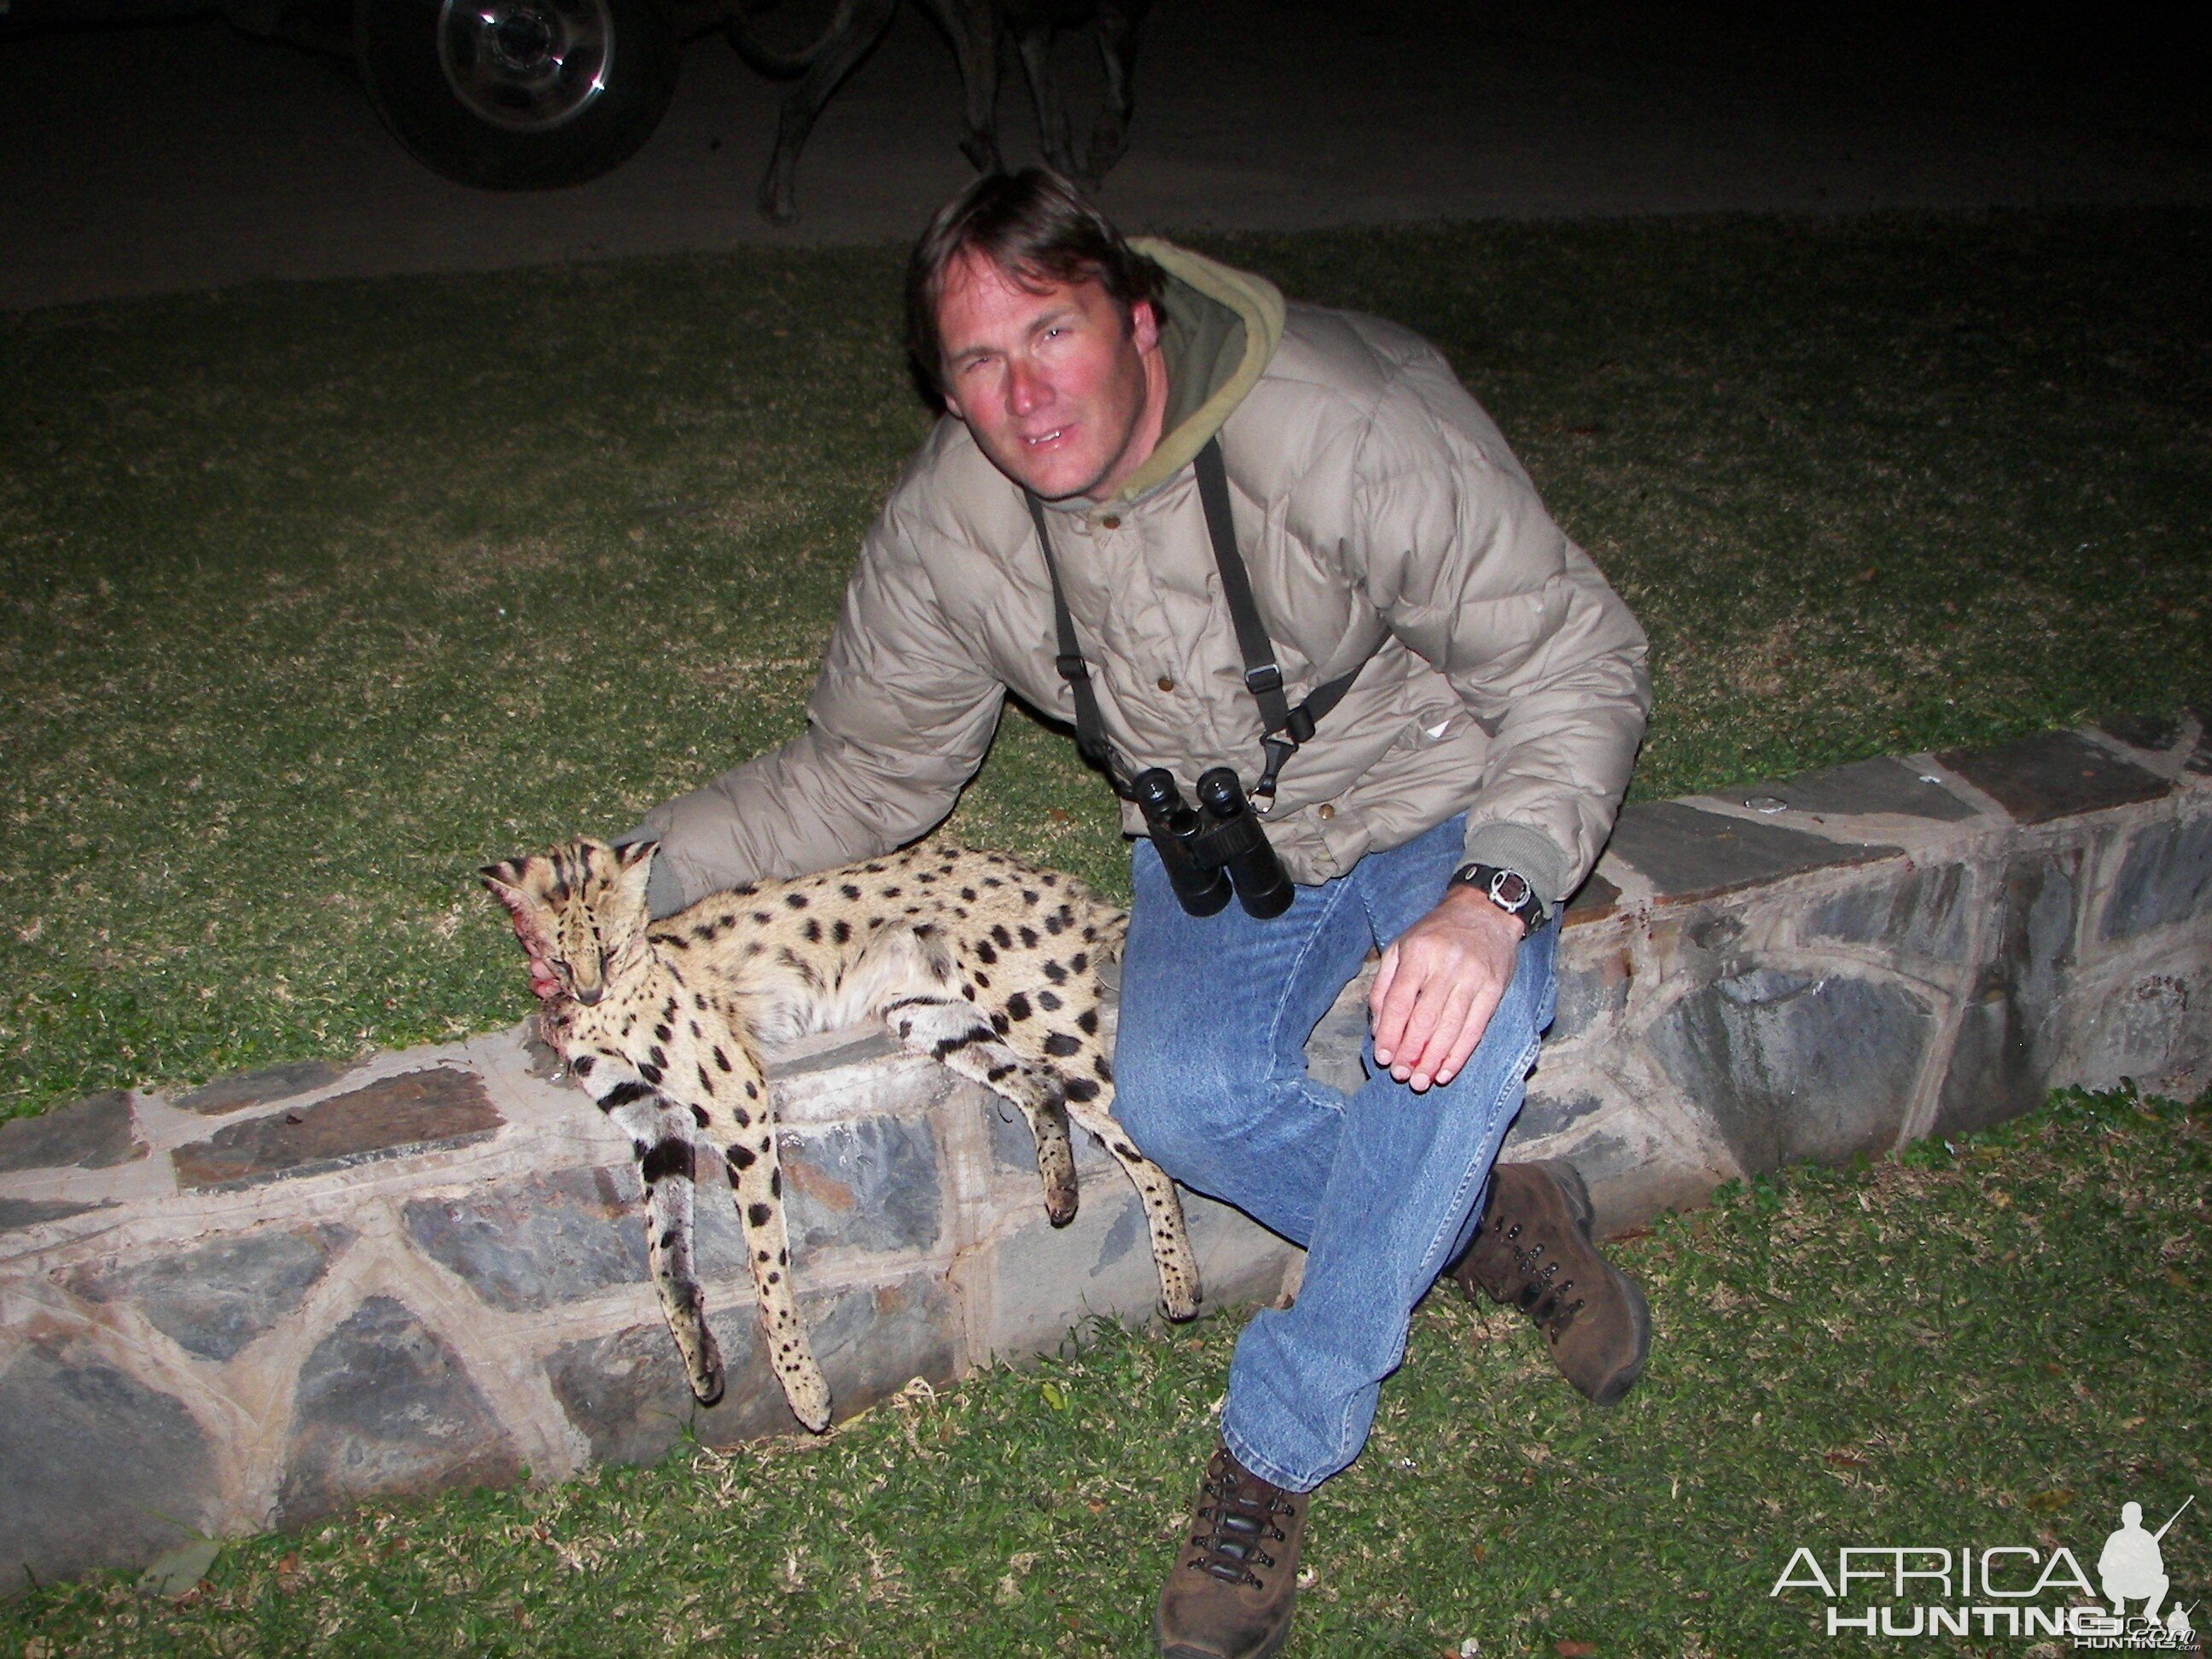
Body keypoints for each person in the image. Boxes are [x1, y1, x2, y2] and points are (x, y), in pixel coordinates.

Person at [581, 169, 1654, 1659]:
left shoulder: (1346, 422)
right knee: (1181, 1093)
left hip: (1440, 783)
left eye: (1051, 333)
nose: (1023, 396)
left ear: (1140, 318)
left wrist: (1495, 895)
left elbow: (1575, 660)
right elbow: (862, 769)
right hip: (1222, 838)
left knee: (1449, 1047)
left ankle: (1272, 1452)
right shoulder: (954, 527)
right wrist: (622, 876)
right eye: (976, 362)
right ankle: (1490, 1220)